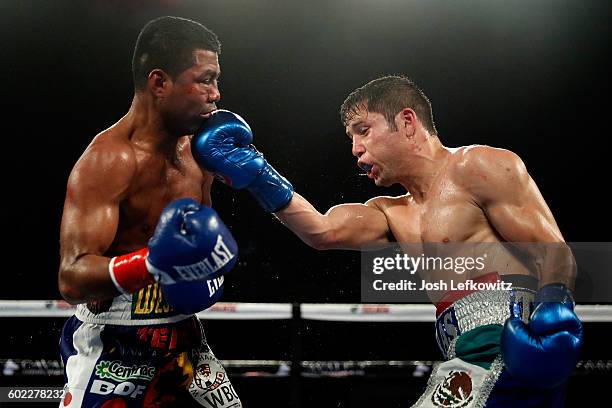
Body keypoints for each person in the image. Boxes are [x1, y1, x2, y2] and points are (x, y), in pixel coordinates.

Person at [191, 75, 583, 407]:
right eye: (351, 138)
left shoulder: (477, 165)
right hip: (464, 350)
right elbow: (321, 231)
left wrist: (554, 311)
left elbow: (553, 251)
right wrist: (257, 174)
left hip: (509, 344)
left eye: (364, 131)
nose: (355, 149)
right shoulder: (390, 211)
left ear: (408, 122)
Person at [58, 16, 242, 407]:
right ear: (159, 83)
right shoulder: (108, 160)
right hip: (113, 342)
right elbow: (72, 279)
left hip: (184, 336)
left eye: (216, 80)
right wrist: (155, 262)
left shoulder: (201, 150)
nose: (216, 94)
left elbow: (202, 251)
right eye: (205, 79)